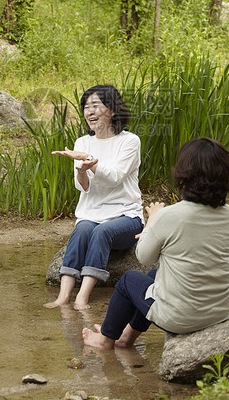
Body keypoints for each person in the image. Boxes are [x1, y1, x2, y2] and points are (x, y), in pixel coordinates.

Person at [81, 138, 229, 350]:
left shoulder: (170, 215)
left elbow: (143, 256)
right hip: (220, 311)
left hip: (182, 318)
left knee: (129, 281)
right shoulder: (228, 213)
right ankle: (126, 338)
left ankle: (105, 340)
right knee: (154, 278)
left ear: (185, 174)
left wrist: (152, 220)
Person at [44, 85, 144, 311]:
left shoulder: (129, 141)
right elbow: (83, 187)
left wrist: (90, 160)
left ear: (112, 111)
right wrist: (81, 170)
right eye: (86, 107)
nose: (89, 112)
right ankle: (62, 297)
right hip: (91, 214)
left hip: (125, 215)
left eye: (95, 106)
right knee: (81, 230)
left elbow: (115, 177)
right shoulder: (82, 143)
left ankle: (82, 297)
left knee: (102, 231)